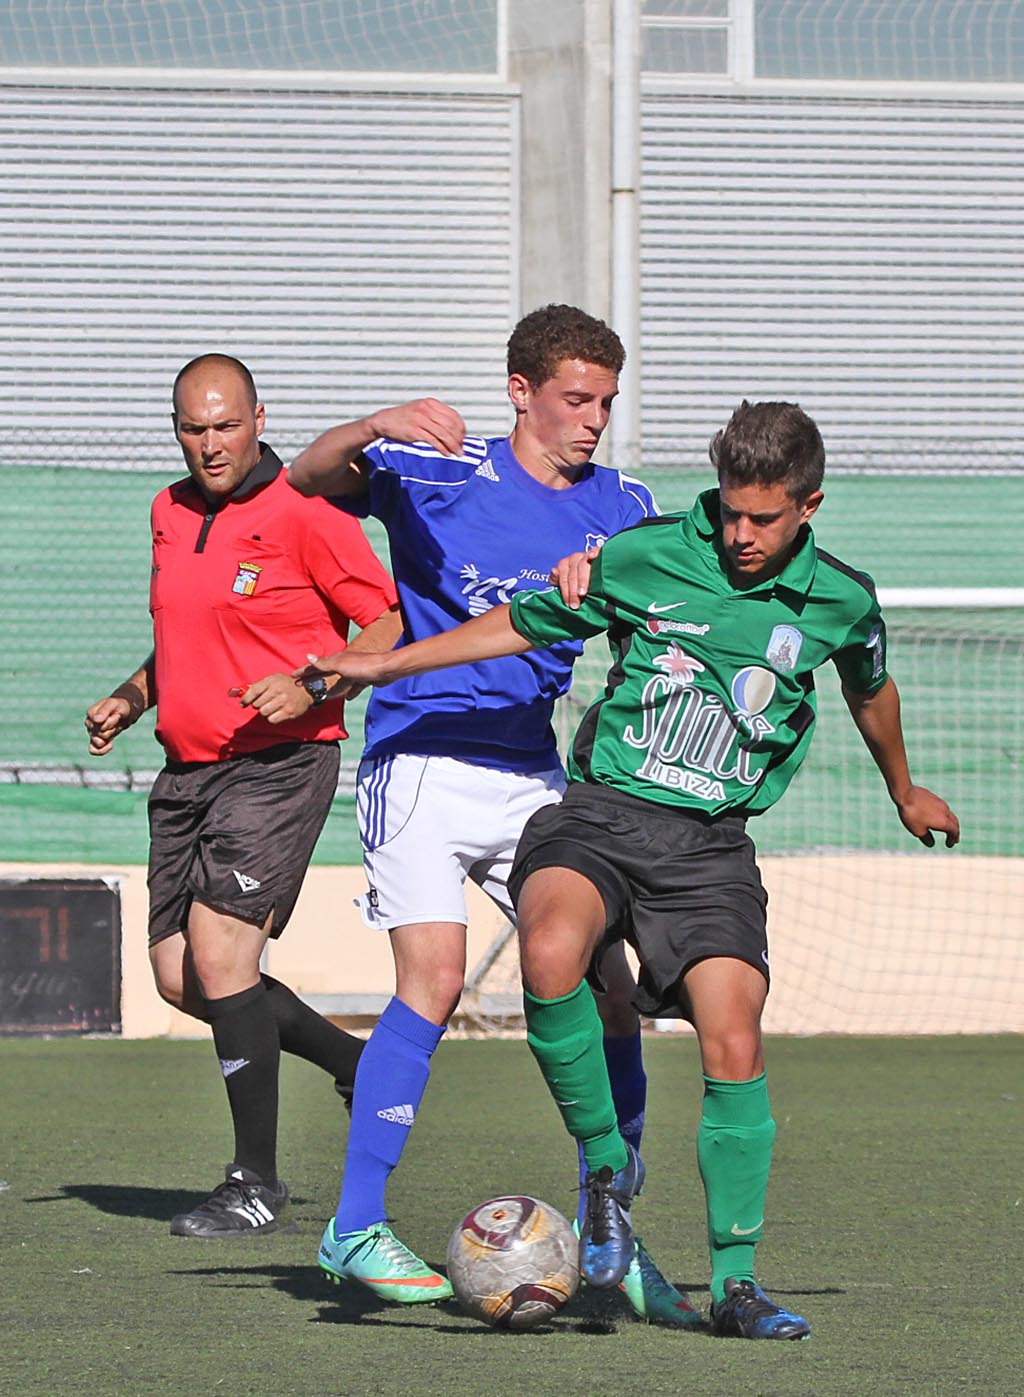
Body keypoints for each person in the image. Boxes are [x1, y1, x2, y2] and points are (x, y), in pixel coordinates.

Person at [298, 399, 960, 1338]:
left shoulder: (841, 600)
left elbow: (870, 684)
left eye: (762, 518)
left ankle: (737, 1284)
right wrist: (391, 665)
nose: (738, 533)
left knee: (734, 1037)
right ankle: (607, 1173)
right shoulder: (649, 551)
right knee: (551, 950)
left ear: (808, 506)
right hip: (603, 816)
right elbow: (519, 622)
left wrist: (905, 789)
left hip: (713, 848)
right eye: (728, 510)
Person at [286, 305, 697, 1324]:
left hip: (533, 779)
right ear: (521, 392)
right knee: (429, 979)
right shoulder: (438, 471)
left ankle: (611, 1212)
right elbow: (304, 477)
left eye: (605, 399)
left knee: (606, 979)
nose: (593, 418)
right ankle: (355, 1221)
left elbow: (666, 603)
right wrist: (370, 420)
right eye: (574, 399)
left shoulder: (626, 502)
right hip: (420, 762)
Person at [85, 354, 402, 1238]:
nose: (209, 443)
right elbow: (187, 640)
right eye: (193, 427)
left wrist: (316, 685)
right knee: (183, 976)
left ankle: (254, 1180)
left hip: (278, 761)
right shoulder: (167, 511)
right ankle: (353, 1061)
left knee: (224, 958)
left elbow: (385, 622)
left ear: (259, 418)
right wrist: (132, 695)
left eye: (225, 424)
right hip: (187, 771)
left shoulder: (307, 513)